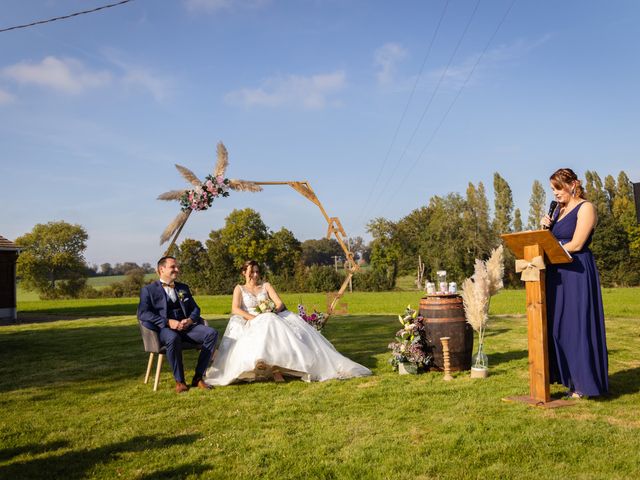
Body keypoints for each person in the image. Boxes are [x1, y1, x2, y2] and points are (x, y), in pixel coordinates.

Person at [204, 260, 371, 386]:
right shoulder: (239, 288)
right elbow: (235, 309)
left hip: (269, 316)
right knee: (265, 323)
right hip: (251, 319)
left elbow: (279, 304)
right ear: (243, 273)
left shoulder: (266, 286)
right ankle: (267, 367)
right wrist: (255, 318)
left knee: (271, 322)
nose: (255, 275)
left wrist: (271, 311)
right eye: (251, 272)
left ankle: (278, 368)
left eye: (257, 272)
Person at [541, 168, 608, 398]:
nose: (555, 193)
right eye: (552, 189)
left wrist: (549, 249)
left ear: (572, 184)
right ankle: (567, 378)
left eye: (558, 188)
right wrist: (545, 231)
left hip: (577, 270)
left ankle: (585, 384)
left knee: (576, 327)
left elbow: (577, 243)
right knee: (558, 327)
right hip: (556, 272)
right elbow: (553, 240)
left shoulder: (586, 207)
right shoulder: (558, 210)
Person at [137, 256, 218, 393]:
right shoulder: (148, 290)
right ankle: (180, 381)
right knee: (173, 338)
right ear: (161, 269)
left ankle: (198, 377)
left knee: (211, 333)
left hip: (186, 327)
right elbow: (143, 313)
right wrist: (168, 322)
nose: (177, 269)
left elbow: (195, 309)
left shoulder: (183, 288)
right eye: (173, 267)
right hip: (163, 330)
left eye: (177, 266)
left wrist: (190, 320)